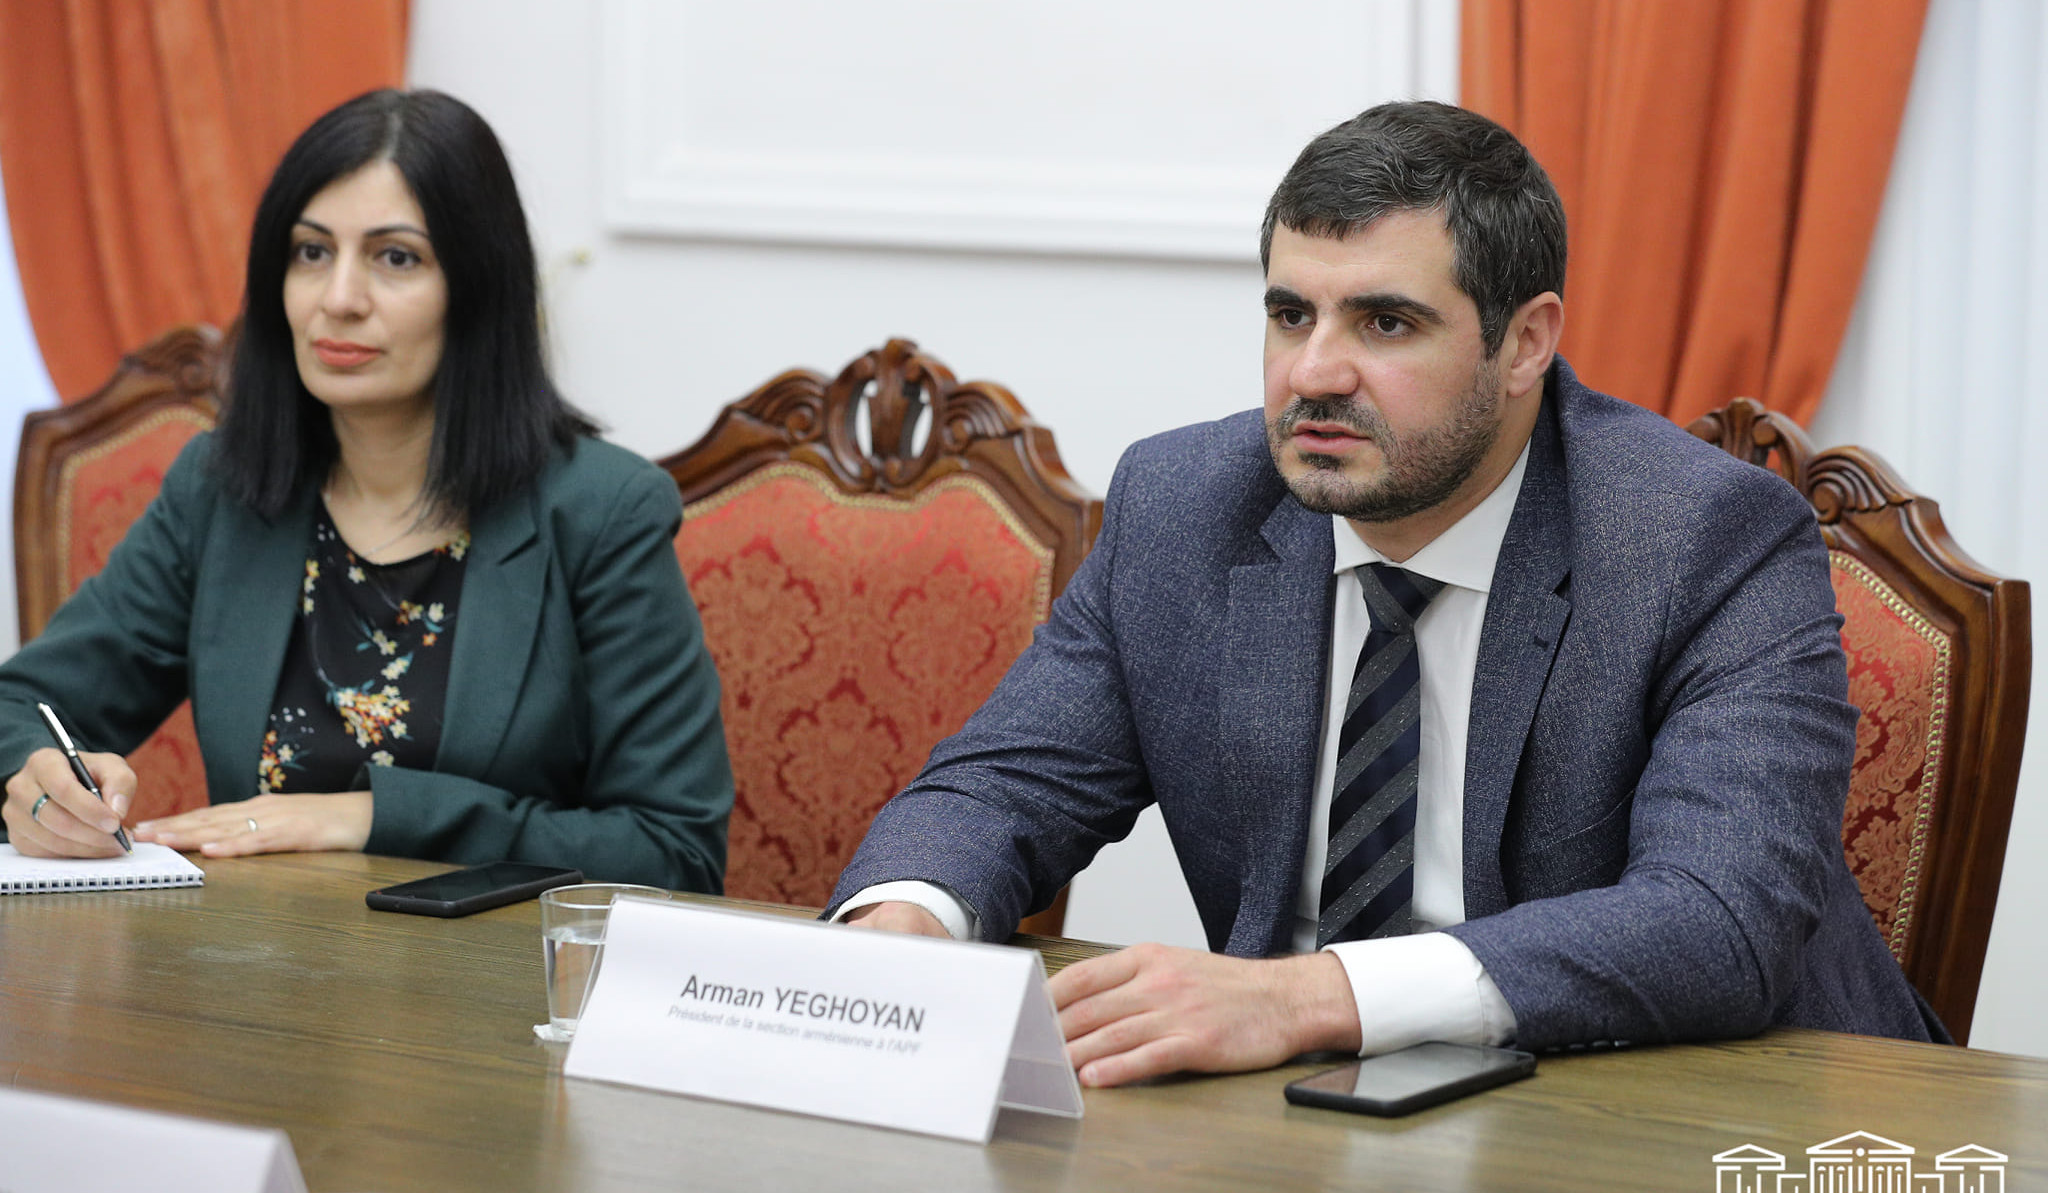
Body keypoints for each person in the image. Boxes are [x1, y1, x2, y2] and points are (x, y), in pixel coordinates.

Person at [827, 100, 1938, 1086]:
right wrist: (904, 920)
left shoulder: (1699, 537)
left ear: (1524, 343)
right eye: (1288, 314)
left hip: (1693, 1109)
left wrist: (1307, 995)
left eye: (1384, 322)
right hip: (1302, 1117)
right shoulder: (1184, 505)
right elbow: (1001, 786)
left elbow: (1716, 923)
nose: (1313, 372)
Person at [0, 89, 733, 892]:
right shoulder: (223, 490)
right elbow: (23, 707)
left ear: (478, 288)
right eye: (311, 252)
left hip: (499, 993)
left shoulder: (600, 511)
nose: (338, 298)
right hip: (252, 979)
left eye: (395, 258)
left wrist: (370, 816)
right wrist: (40, 780)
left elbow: (674, 850)